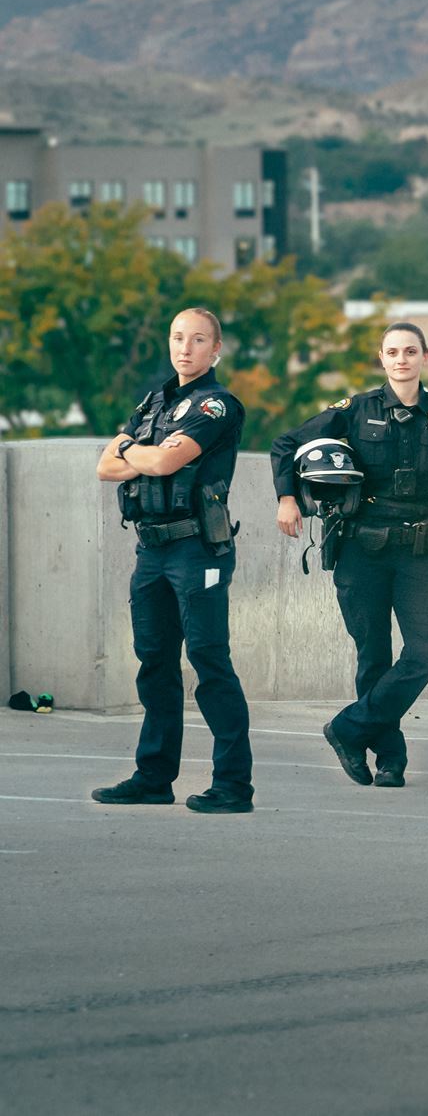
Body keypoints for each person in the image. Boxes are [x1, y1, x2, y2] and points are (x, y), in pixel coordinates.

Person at [271, 321, 428, 787]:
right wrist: (288, 498)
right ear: (382, 360)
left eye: (410, 351)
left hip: (417, 553)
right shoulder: (357, 409)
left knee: (426, 652)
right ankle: (389, 759)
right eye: (392, 352)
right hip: (361, 548)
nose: (401, 359)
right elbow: (288, 443)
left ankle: (347, 729)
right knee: (373, 655)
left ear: (425, 357)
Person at [90, 307, 254, 813]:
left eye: (198, 339)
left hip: (196, 549)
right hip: (152, 550)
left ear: (216, 350)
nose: (186, 347)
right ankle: (153, 778)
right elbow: (103, 466)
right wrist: (137, 448)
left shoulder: (218, 406)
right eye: (178, 337)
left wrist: (130, 448)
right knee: (154, 663)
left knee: (209, 662)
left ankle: (232, 786)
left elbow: (160, 461)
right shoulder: (153, 403)